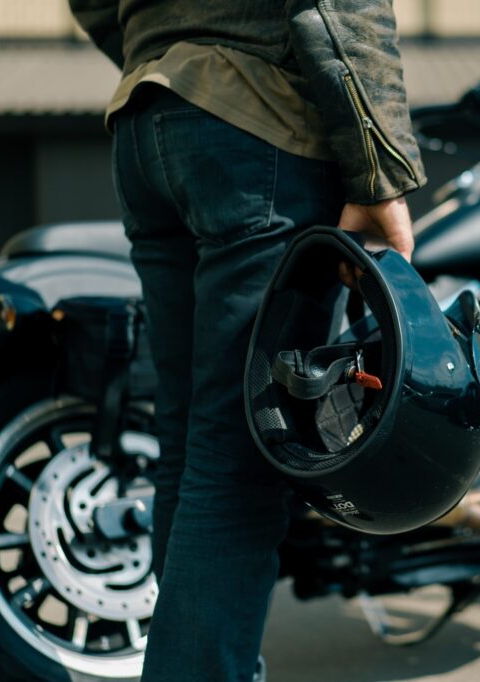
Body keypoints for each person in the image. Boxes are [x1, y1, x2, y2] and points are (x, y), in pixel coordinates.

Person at [66, 1, 426, 679]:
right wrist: (379, 170)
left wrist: (165, 46)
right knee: (240, 455)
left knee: (192, 446)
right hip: (255, 123)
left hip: (149, 118)